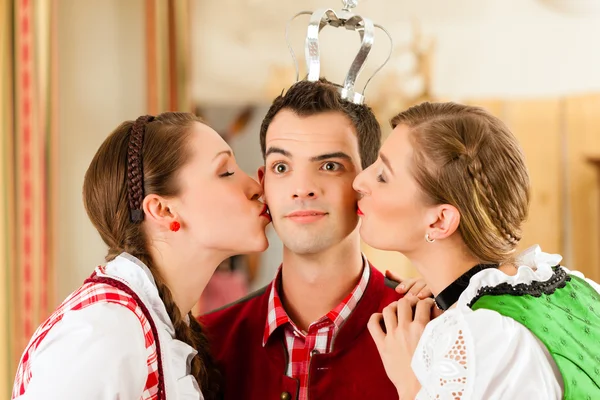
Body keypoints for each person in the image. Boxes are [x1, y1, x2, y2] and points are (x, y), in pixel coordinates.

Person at [12, 112, 271, 399]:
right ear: (163, 210)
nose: (256, 186)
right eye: (226, 172)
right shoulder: (104, 332)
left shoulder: (155, 326)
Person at [200, 79, 430, 400]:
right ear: (264, 183)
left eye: (329, 165)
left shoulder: (427, 329)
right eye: (282, 167)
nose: (302, 188)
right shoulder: (205, 344)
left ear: (366, 182)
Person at [354, 101, 600, 399]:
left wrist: (411, 383)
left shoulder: (475, 336)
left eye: (383, 176)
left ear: (440, 220)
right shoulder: (580, 288)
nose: (359, 181)